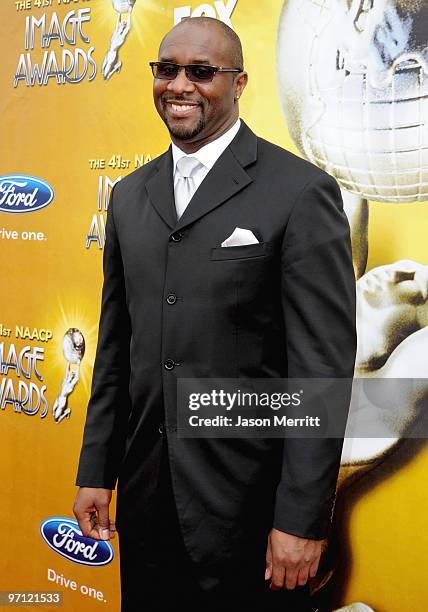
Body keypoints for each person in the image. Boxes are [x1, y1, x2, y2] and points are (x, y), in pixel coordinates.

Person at [73, 16, 356, 612]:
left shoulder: (300, 192)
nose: (180, 85)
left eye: (202, 72)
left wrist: (302, 518)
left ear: (239, 81)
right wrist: (96, 469)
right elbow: (116, 349)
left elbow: (321, 373)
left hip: (250, 513)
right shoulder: (128, 196)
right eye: (167, 69)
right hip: (147, 501)